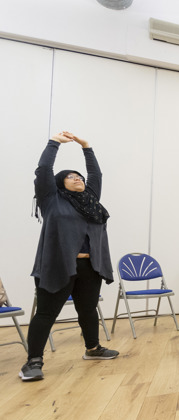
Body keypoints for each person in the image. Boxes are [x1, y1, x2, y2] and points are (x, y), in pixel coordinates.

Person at [20, 132, 119, 382]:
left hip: (90, 265)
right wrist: (54, 143)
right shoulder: (51, 200)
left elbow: (96, 175)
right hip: (58, 266)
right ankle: (33, 362)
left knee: (87, 309)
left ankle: (93, 349)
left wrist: (87, 147)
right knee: (46, 313)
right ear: (59, 184)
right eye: (69, 177)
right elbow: (43, 169)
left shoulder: (91, 201)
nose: (77, 178)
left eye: (79, 176)